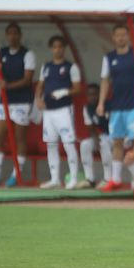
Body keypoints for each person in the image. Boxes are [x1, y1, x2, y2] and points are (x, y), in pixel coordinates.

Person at [96, 25, 134, 192]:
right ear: (113, 38)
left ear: (128, 37)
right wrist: (101, 103)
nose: (121, 38)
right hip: (116, 107)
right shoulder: (109, 58)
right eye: (117, 35)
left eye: (123, 35)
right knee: (117, 142)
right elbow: (105, 81)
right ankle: (115, 179)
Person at [0, 22, 35, 187]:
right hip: (3, 102)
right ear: (6, 35)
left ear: (20, 35)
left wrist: (8, 86)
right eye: (9, 33)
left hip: (21, 102)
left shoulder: (28, 54)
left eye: (15, 33)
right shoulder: (0, 52)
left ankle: (16, 174)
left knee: (19, 138)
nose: (12, 36)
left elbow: (28, 79)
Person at [35, 35, 82, 190]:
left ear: (64, 48)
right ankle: (54, 178)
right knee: (51, 144)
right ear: (51, 48)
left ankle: (73, 178)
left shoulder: (71, 67)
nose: (57, 49)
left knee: (68, 143)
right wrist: (38, 99)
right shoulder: (46, 66)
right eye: (54, 46)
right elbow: (40, 85)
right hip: (48, 111)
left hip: (64, 110)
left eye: (60, 46)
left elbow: (78, 88)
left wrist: (65, 92)